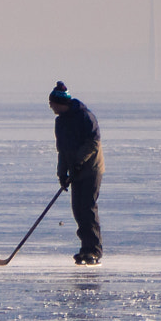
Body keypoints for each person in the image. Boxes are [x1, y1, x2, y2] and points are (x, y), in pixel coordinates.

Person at [48, 81, 103, 264]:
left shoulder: (85, 116)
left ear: (60, 103)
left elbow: (93, 142)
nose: (50, 107)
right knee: (78, 210)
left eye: (52, 104)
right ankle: (85, 248)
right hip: (75, 170)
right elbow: (62, 150)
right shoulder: (60, 122)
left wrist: (79, 161)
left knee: (87, 208)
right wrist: (62, 174)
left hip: (91, 169)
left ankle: (94, 251)